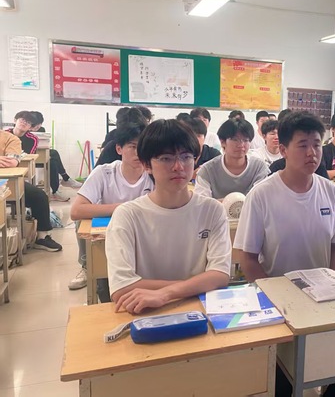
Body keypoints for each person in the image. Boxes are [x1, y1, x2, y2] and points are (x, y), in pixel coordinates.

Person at [234, 111, 335, 397]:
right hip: (278, 304)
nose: (312, 153)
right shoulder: (261, 194)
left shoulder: (329, 191)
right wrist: (275, 298)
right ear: (283, 150)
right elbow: (247, 258)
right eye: (303, 145)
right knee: (283, 380)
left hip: (324, 298)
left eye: (317, 144)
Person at [105, 119, 231, 314]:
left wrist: (165, 294)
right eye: (166, 158)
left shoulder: (212, 209)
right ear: (146, 164)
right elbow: (122, 288)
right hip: (146, 312)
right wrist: (197, 284)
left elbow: (220, 275)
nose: (178, 166)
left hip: (201, 311)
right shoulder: (127, 215)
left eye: (186, 157)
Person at [69, 124, 153, 295]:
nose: (139, 152)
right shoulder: (104, 173)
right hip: (107, 237)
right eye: (132, 147)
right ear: (119, 148)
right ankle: (87, 266)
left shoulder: (155, 174)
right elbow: (76, 211)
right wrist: (123, 208)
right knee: (106, 290)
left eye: (143, 147)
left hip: (145, 238)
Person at [0, 130, 62, 252]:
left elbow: (11, 162)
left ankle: (42, 237)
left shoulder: (10, 138)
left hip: (6, 181)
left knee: (39, 196)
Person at [195, 118, 269, 199]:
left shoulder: (259, 167)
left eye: (246, 140)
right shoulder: (207, 170)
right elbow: (202, 202)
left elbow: (262, 199)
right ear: (222, 142)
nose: (241, 145)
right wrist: (231, 202)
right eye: (235, 139)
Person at [29, 111, 82, 201]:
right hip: (30, 157)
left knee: (52, 162)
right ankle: (65, 178)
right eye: (36, 125)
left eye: (40, 124)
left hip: (41, 156)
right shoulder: (23, 131)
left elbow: (43, 144)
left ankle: (55, 191)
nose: (38, 127)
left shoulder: (41, 130)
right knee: (53, 153)